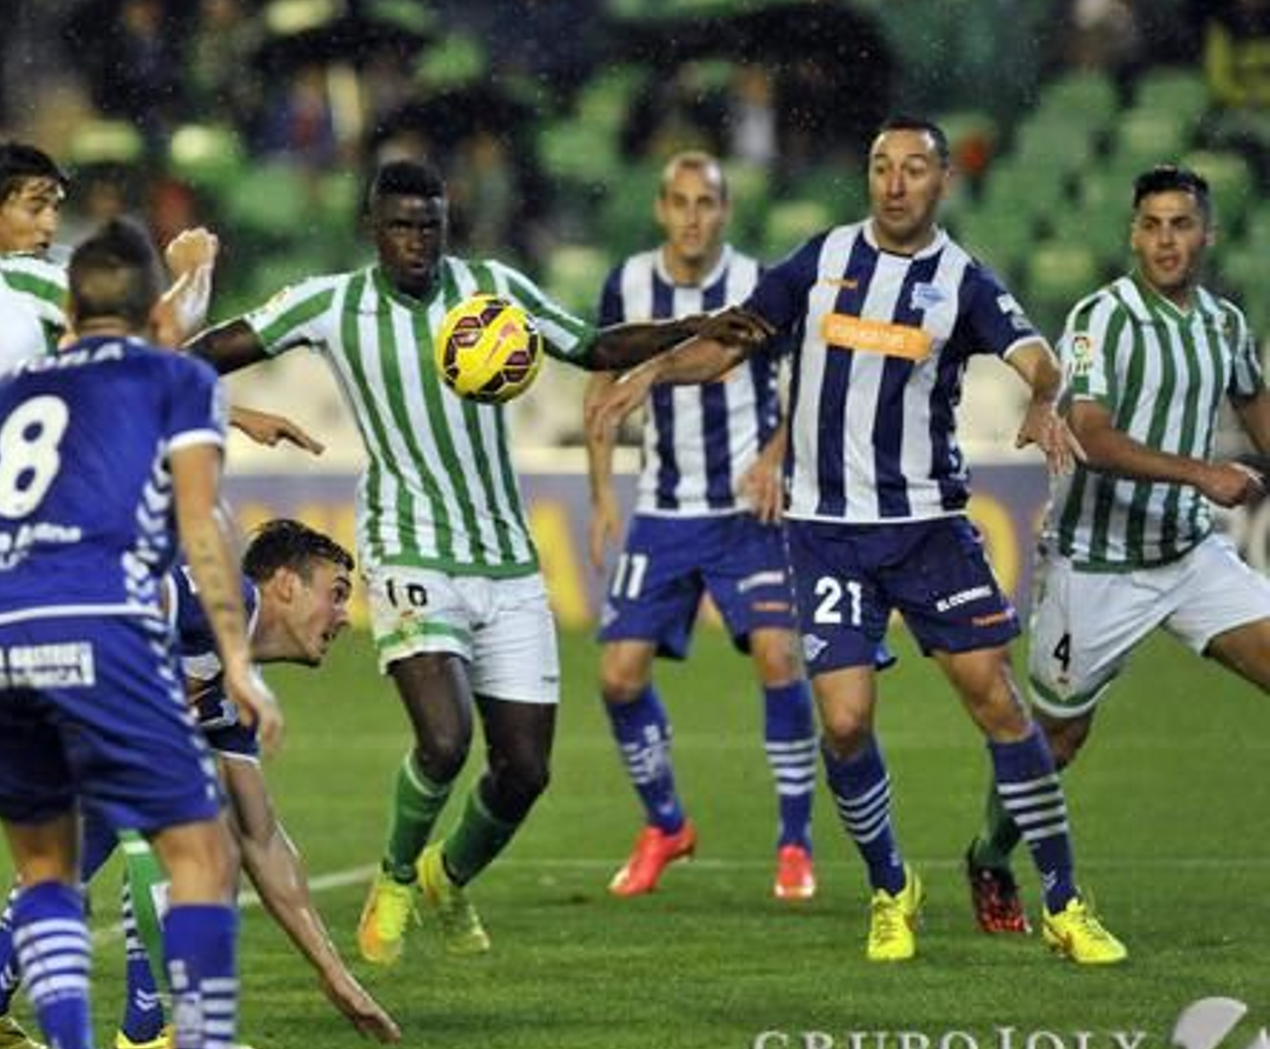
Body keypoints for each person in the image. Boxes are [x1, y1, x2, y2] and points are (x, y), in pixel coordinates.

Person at [184, 157, 760, 967]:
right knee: (446, 738)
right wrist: (234, 411)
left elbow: (595, 348)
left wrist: (692, 328)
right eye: (402, 226)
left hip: (504, 553)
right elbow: (199, 354)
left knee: (524, 770)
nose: (418, 241)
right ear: (373, 230)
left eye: (432, 226)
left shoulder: (493, 289)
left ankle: (445, 877)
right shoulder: (329, 302)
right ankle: (392, 875)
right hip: (407, 538)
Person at [591, 116, 1127, 965]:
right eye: (882, 166)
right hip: (827, 533)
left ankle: (1064, 899)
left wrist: (1041, 397)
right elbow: (730, 342)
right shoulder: (821, 259)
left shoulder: (964, 282)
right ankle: (890, 887)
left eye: (915, 168)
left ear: (942, 181)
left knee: (995, 695)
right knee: (842, 722)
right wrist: (651, 372)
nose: (896, 182)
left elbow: (1039, 356)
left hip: (926, 525)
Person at [0, 217, 279, 1049]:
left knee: (47, 865)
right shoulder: (172, 376)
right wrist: (240, 660)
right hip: (101, 623)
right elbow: (204, 527)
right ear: (147, 311)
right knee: (201, 853)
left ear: (66, 308)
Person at [964, 164, 1269, 934]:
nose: (1167, 239)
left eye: (1182, 224)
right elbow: (1091, 437)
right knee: (1057, 738)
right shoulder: (1103, 319)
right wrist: (1203, 473)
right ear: (1133, 233)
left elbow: (1257, 409)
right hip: (1096, 567)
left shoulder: (1226, 325)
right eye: (1152, 225)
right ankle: (991, 854)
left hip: (1191, 558)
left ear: (1208, 233)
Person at [584, 151, 817, 901]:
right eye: (680, 202)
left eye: (706, 202)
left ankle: (794, 844)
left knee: (780, 657)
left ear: (725, 210)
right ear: (660, 208)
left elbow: (808, 379)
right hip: (663, 507)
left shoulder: (757, 284)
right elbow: (600, 382)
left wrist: (777, 456)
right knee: (618, 676)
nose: (692, 216)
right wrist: (601, 497)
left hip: (747, 510)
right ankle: (667, 824)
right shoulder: (627, 283)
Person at [165, 518, 401, 1045]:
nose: (345, 618)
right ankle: (150, 1029)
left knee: (206, 830)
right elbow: (135, 601)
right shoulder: (223, 597)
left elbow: (262, 837)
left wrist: (335, 976)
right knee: (190, 828)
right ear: (287, 585)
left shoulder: (237, 699)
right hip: (9, 698)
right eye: (336, 595)